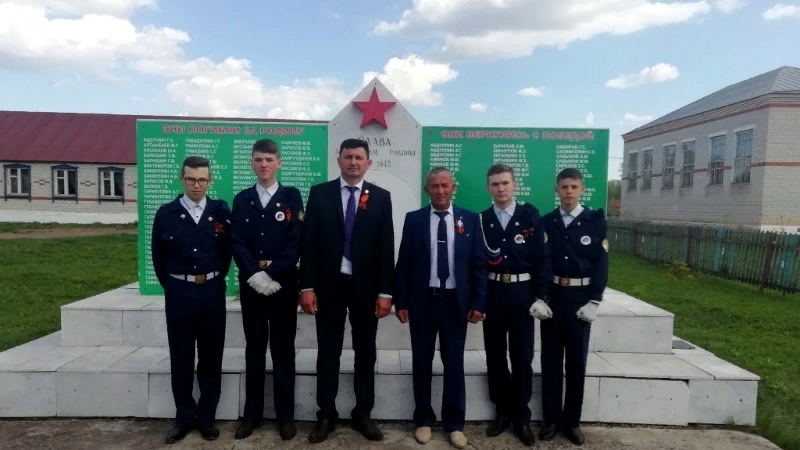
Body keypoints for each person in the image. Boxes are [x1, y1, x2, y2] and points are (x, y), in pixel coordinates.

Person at [298, 138, 395, 444]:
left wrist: (385, 292)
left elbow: (386, 247)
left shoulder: (380, 197)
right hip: (329, 286)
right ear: (338, 160)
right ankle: (326, 414)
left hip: (366, 288)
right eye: (348, 156)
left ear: (368, 163)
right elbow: (309, 243)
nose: (353, 162)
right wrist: (307, 286)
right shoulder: (320, 194)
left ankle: (363, 413)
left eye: (359, 157)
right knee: (328, 351)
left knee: (366, 352)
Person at [394, 167, 486, 450]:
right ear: (427, 190)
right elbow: (404, 264)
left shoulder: (470, 219)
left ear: (453, 187)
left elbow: (478, 264)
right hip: (423, 302)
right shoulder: (414, 220)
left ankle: (454, 424)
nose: (440, 191)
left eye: (445, 185)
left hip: (456, 303)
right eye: (435, 186)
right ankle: (423, 419)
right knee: (421, 362)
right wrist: (402, 301)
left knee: (454, 364)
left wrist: (478, 302)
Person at [150, 156, 232, 444]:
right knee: (182, 356)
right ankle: (184, 417)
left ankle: (207, 417)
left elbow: (226, 255)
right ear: (182, 179)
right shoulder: (167, 214)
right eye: (191, 179)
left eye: (202, 179)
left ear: (210, 181)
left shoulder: (220, 212)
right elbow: (159, 258)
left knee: (211, 356)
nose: (197, 185)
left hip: (211, 292)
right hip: (179, 293)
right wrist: (175, 285)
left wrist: (213, 279)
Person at [229, 139, 304, 440]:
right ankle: (252, 415)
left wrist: (271, 273)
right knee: (255, 348)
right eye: (259, 159)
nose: (264, 165)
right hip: (252, 284)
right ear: (252, 163)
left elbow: (296, 240)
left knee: (283, 348)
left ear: (279, 163)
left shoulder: (291, 197)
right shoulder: (242, 199)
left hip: (283, 283)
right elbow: (236, 240)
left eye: (269, 159)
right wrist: (254, 274)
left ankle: (285, 416)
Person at [534, 167, 609, 446]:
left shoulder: (595, 222)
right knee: (550, 360)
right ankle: (552, 419)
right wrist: (540, 296)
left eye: (574, 187)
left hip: (580, 300)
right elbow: (542, 262)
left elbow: (601, 264)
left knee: (576, 362)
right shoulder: (547, 221)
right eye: (564, 187)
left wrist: (594, 301)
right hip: (554, 298)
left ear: (581, 189)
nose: (569, 191)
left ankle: (572, 421)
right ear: (556, 189)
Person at [479, 164, 552, 446]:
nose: (501, 188)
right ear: (488, 188)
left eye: (505, 183)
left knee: (522, 358)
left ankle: (521, 417)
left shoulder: (530, 217)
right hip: (494, 293)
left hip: (523, 295)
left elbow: (543, 259)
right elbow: (477, 263)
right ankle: (502, 412)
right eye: (495, 184)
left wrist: (541, 297)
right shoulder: (482, 220)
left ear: (514, 185)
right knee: (495, 356)